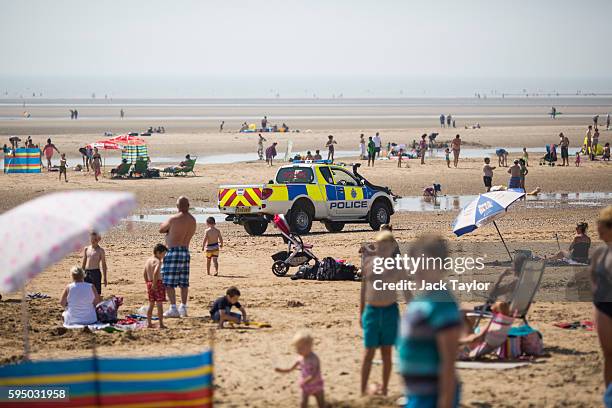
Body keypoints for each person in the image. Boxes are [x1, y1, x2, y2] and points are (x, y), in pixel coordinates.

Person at [396, 235, 461, 408]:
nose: (419, 269)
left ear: (441, 266)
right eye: (416, 262)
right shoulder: (422, 298)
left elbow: (448, 363)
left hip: (432, 396)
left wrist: (445, 402)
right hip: (416, 394)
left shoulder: (442, 302)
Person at [359, 230, 409, 396]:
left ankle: (385, 389)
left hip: (389, 312)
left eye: (386, 247)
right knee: (368, 353)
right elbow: (363, 289)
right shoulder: (369, 263)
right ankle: (362, 391)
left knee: (387, 353)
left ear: (392, 247)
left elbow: (407, 291)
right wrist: (361, 313)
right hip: (372, 312)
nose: (382, 250)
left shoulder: (397, 266)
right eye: (380, 246)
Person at [159, 196, 197, 318]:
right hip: (185, 251)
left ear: (177, 206)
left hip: (173, 251)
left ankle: (173, 308)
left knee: (169, 282)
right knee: (183, 282)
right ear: (188, 205)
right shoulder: (192, 220)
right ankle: (183, 307)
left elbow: (161, 229)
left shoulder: (174, 219)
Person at [590, 206, 612, 393]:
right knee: (608, 356)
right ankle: (609, 396)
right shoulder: (599, 252)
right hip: (603, 307)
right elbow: (593, 278)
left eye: (601, 228)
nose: (597, 231)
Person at [275, 331, 325, 408]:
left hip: (316, 384)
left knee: (321, 403)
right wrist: (281, 370)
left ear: (309, 346)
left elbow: (314, 373)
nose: (298, 350)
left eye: (300, 348)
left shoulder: (314, 359)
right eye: (296, 348)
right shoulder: (300, 358)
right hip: (305, 386)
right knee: (303, 403)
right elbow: (290, 369)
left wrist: (305, 381)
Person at [144, 244, 168, 329]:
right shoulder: (158, 261)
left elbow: (144, 273)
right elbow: (155, 272)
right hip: (157, 283)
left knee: (151, 304)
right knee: (159, 304)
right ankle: (161, 324)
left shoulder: (148, 260)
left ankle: (149, 323)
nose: (163, 256)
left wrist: (148, 283)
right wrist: (154, 284)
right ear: (158, 253)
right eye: (163, 254)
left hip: (149, 283)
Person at [81, 231, 108, 296]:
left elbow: (104, 265)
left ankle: (97, 305)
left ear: (99, 239)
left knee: (97, 293)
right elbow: (84, 263)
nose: (93, 241)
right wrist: (81, 274)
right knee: (86, 293)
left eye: (95, 239)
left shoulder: (100, 250)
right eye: (92, 239)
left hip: (96, 273)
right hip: (86, 272)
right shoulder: (86, 249)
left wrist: (105, 278)